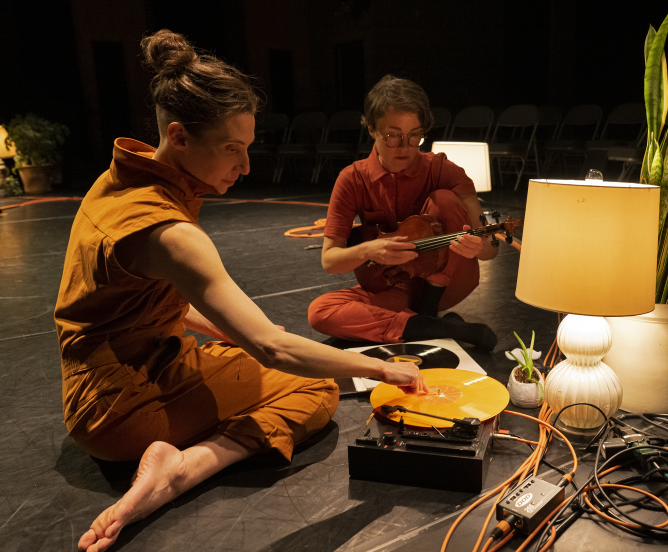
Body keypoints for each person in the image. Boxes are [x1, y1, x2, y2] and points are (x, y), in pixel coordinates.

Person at [55, 31, 428, 552]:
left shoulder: (122, 180)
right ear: (180, 136)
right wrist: (382, 368)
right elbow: (273, 348)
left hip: (99, 385)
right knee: (315, 390)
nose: (246, 167)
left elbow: (159, 301)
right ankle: (182, 469)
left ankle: (179, 448)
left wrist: (235, 332)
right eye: (233, 150)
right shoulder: (172, 231)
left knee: (261, 345)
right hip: (123, 408)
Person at [308, 75, 498, 351]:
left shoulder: (445, 171)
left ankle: (428, 314)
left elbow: (490, 249)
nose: (405, 147)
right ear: (372, 129)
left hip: (450, 281)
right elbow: (330, 260)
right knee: (321, 311)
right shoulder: (351, 179)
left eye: (415, 136)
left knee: (443, 200)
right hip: (398, 286)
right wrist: (369, 250)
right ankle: (439, 327)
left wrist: (478, 246)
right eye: (393, 136)